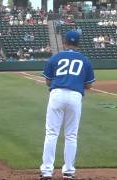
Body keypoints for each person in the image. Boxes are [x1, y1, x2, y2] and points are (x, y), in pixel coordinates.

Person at [40, 31, 95, 180]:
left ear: (64, 43)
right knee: (71, 135)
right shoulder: (85, 60)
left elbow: (47, 81)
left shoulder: (56, 57)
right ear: (78, 43)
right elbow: (89, 85)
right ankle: (69, 172)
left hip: (57, 94)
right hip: (75, 96)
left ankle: (46, 172)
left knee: (51, 133)